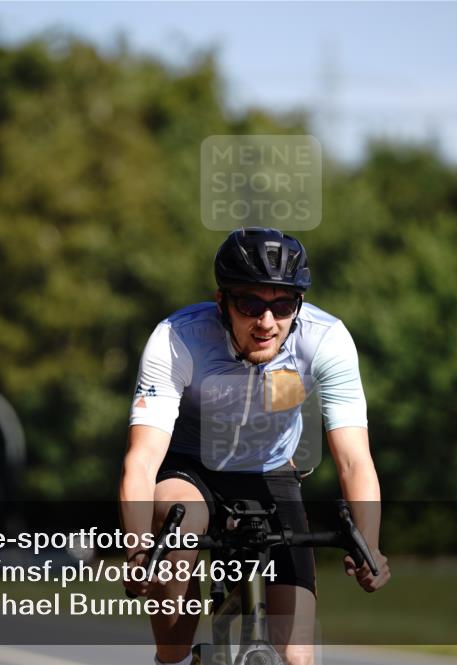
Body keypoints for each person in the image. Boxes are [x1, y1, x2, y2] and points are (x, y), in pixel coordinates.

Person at [120, 227, 390, 665]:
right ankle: (172, 659)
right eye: (251, 304)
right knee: (178, 520)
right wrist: (137, 549)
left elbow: (355, 460)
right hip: (190, 468)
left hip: (271, 471)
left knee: (297, 656)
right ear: (222, 300)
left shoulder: (326, 341)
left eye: (282, 306)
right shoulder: (177, 339)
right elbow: (142, 459)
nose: (267, 322)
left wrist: (371, 547)